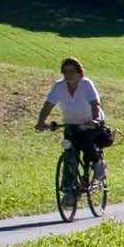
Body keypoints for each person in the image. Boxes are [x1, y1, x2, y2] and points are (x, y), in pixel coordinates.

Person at [36, 57, 110, 185]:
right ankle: (69, 188)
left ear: (79, 73)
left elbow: (95, 104)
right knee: (69, 152)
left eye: (72, 71)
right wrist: (41, 121)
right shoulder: (59, 86)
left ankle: (98, 165)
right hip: (71, 124)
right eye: (65, 72)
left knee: (86, 142)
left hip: (90, 123)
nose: (68, 75)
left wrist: (95, 120)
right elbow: (48, 105)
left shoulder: (86, 84)